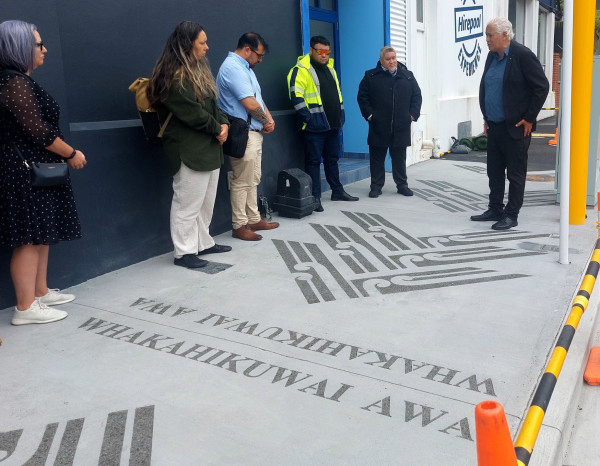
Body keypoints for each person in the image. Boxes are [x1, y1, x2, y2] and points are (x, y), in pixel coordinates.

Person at [0, 20, 87, 325]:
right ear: (20, 47)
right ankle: (25, 307)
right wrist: (72, 153)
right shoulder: (14, 82)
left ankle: (40, 291)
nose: (45, 49)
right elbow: (36, 130)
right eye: (39, 44)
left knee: (40, 234)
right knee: (29, 237)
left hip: (35, 169)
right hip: (24, 172)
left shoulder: (19, 81)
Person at [147, 21, 232, 268]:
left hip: (208, 145)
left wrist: (224, 124)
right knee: (187, 203)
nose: (207, 47)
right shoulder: (172, 76)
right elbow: (192, 113)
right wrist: (218, 129)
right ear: (187, 44)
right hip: (188, 148)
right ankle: (183, 253)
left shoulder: (198, 72)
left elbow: (214, 106)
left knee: (205, 202)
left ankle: (203, 243)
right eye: (202, 42)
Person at [472, 17, 549, 230]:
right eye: (486, 35)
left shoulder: (522, 55)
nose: (486, 39)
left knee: (515, 173)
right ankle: (495, 208)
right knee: (494, 171)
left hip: (515, 127)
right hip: (495, 126)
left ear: (505, 35)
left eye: (490, 35)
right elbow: (488, 88)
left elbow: (541, 87)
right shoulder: (491, 57)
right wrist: (487, 118)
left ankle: (511, 214)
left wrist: (530, 117)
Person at [216, 32, 279, 241]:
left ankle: (253, 218)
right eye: (259, 55)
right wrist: (266, 120)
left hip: (253, 132)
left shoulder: (246, 68)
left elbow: (257, 99)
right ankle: (239, 225)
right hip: (242, 133)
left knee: (253, 179)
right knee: (242, 181)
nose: (260, 60)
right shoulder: (233, 68)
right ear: (247, 49)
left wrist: (267, 120)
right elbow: (249, 103)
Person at [287, 36, 359, 212]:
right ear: (311, 50)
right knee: (313, 162)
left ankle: (337, 191)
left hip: (333, 125)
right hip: (314, 127)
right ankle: (315, 198)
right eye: (320, 51)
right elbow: (296, 97)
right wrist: (308, 119)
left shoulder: (331, 70)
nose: (324, 55)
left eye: (327, 52)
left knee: (332, 160)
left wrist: (341, 116)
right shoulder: (300, 70)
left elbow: (337, 95)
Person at [357, 46, 422, 198]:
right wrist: (370, 116)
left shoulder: (408, 76)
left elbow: (417, 96)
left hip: (401, 126)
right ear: (381, 61)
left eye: (394, 58)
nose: (392, 61)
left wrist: (411, 116)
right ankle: (376, 186)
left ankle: (402, 185)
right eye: (388, 59)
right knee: (377, 159)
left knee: (399, 159)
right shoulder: (370, 76)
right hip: (378, 126)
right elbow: (362, 98)